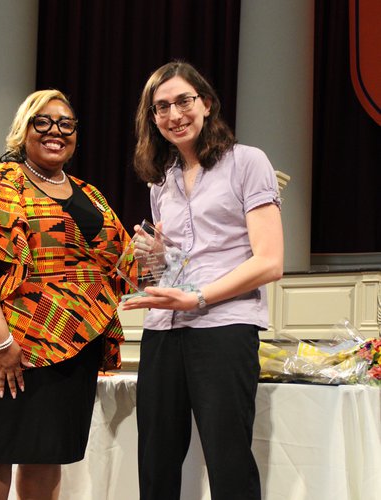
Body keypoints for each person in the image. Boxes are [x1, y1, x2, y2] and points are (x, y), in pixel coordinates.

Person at [0, 89, 130, 500]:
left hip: (69, 348)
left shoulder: (90, 194)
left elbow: (117, 259)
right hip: (0, 349)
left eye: (66, 124)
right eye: (43, 122)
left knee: (46, 455)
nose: (56, 131)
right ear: (23, 130)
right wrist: (0, 341)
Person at [122, 61, 284, 500]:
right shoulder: (162, 182)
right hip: (163, 330)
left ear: (207, 104)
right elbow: (177, 269)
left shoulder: (248, 162)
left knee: (227, 459)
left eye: (183, 101)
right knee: (155, 462)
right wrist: (158, 259)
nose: (174, 115)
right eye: (161, 107)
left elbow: (270, 261)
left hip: (224, 327)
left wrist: (197, 297)